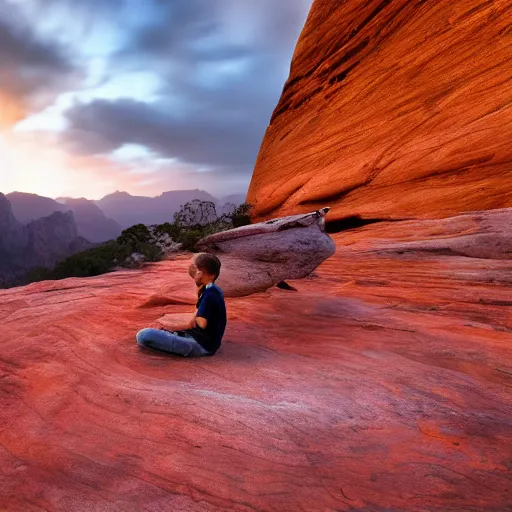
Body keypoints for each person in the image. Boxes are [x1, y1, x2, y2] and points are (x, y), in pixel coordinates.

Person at [136, 253, 227, 357]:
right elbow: (194, 321)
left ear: (210, 275)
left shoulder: (209, 295)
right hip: (204, 341)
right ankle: (174, 335)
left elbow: (201, 323)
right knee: (159, 333)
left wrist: (171, 327)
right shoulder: (214, 290)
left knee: (143, 335)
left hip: (202, 345)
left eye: (199, 272)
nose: (196, 274)